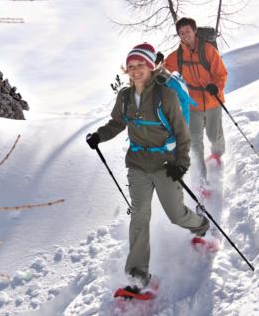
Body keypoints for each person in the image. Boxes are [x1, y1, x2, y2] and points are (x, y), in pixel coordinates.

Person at [86, 43, 209, 289]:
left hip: (165, 164)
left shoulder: (165, 95)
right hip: (137, 164)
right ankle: (137, 274)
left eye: (140, 65)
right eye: (130, 66)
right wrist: (99, 135)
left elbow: (182, 134)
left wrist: (180, 164)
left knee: (176, 215)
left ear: (150, 67)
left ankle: (201, 224)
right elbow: (117, 123)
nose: (135, 70)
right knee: (140, 216)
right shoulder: (124, 97)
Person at [165, 17, 228, 185]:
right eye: (181, 32)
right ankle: (202, 178)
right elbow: (163, 72)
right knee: (194, 140)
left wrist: (216, 87)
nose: (185, 35)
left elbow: (221, 73)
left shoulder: (208, 50)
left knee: (214, 134)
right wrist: (155, 62)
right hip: (192, 104)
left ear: (194, 31)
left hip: (212, 100)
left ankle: (217, 154)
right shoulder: (176, 56)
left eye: (187, 31)